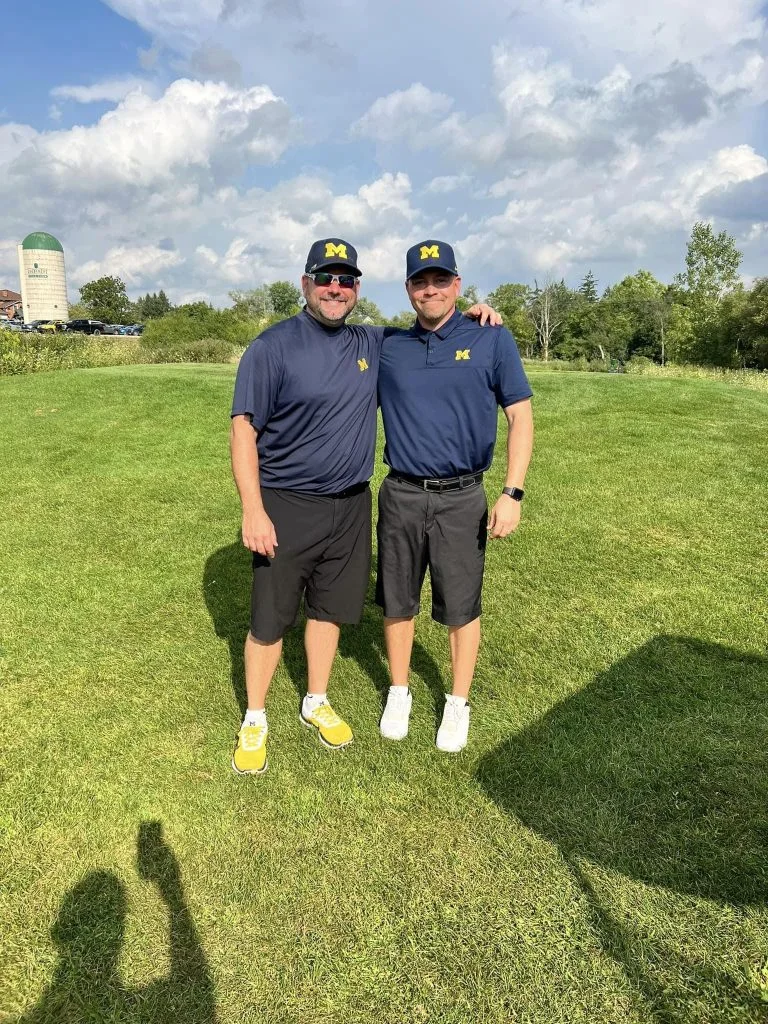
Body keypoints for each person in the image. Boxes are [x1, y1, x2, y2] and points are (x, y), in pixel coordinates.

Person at [229, 238, 499, 774]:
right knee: (269, 619)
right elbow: (243, 429)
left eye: (346, 280)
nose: (335, 288)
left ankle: (316, 700)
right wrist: (252, 509)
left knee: (328, 610)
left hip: (351, 504)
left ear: (357, 289)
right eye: (325, 278)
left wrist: (475, 315)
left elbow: (431, 327)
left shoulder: (374, 342)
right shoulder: (272, 346)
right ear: (305, 284)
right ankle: (255, 717)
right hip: (286, 503)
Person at [376, 239, 534, 753]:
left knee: (461, 604)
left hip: (463, 496)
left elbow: (520, 417)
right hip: (401, 492)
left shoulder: (491, 338)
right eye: (421, 282)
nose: (431, 290)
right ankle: (399, 691)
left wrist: (512, 492)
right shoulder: (388, 345)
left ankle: (457, 701)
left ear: (457, 284)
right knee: (397, 599)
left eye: (440, 280)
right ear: (408, 289)